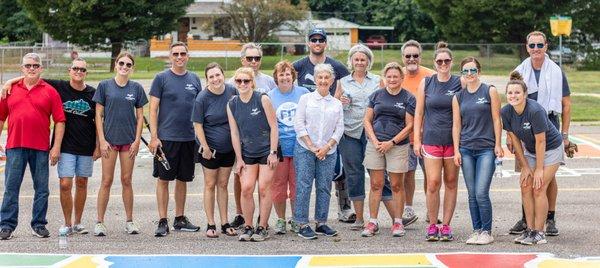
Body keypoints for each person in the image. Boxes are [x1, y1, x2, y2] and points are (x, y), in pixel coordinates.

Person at [509, 31, 572, 236]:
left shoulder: (556, 71)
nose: (536, 49)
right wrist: (511, 136)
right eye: (532, 46)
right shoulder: (519, 71)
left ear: (546, 46)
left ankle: (549, 218)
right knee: (526, 174)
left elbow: (566, 104)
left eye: (540, 45)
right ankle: (527, 219)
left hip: (549, 122)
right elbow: (512, 100)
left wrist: (565, 134)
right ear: (527, 47)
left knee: (546, 177)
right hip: (524, 124)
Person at [0, 53, 66, 240]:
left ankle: (38, 224)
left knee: (42, 188)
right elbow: (1, 117)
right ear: (22, 68)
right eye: (28, 65)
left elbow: (60, 121)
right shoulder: (10, 90)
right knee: (11, 188)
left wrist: (56, 147)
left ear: (41, 68)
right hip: (15, 145)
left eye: (35, 65)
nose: (31, 68)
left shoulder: (50, 91)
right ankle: (6, 225)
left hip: (40, 147)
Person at [293, 27, 355, 223]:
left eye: (321, 40)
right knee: (304, 182)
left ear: (325, 43)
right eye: (314, 39)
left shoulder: (337, 67)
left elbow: (348, 85)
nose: (317, 43)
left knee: (337, 172)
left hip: (331, 122)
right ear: (309, 43)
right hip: (307, 128)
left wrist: (341, 98)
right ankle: (300, 220)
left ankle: (344, 208)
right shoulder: (298, 66)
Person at [334, 44, 396, 231]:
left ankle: (396, 217)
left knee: (378, 175)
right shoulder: (342, 82)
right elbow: (334, 106)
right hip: (350, 132)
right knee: (354, 175)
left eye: (363, 59)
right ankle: (359, 218)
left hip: (373, 134)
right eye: (356, 59)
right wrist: (340, 101)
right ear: (351, 61)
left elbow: (386, 103)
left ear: (369, 61)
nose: (360, 62)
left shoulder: (377, 81)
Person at [502, 71, 564, 245]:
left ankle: (539, 233)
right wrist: (525, 167)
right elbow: (515, 139)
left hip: (550, 148)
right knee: (525, 185)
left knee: (538, 187)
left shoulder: (535, 110)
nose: (513, 96)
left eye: (517, 92)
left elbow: (541, 141)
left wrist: (538, 169)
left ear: (525, 94)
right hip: (530, 150)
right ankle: (529, 230)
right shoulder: (506, 111)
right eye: (510, 93)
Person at [149, 42, 202, 237]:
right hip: (166, 139)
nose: (179, 57)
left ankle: (179, 218)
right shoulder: (161, 78)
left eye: (183, 54)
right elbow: (153, 109)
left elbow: (200, 109)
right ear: (170, 56)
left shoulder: (195, 79)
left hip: (188, 138)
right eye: (175, 54)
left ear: (188, 56)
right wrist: (154, 137)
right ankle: (163, 220)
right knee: (164, 179)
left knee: (183, 179)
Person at [93, 52, 148, 236]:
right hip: (109, 142)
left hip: (128, 142)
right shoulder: (104, 86)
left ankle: (130, 221)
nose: (125, 67)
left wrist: (136, 140)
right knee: (106, 180)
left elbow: (140, 117)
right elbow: (98, 115)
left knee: (126, 180)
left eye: (128, 64)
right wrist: (101, 140)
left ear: (132, 68)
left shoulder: (136, 88)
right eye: (121, 63)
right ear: (116, 65)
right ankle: (100, 222)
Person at [413, 42, 462, 242]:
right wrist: (417, 140)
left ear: (451, 62)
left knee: (451, 183)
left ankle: (447, 225)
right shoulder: (427, 82)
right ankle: (433, 225)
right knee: (433, 183)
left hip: (453, 141)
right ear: (434, 63)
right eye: (439, 61)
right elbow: (418, 112)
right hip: (431, 139)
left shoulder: (460, 83)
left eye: (446, 61)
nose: (443, 63)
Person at [452, 57, 502, 245]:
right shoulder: (458, 97)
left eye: (473, 70)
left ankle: (487, 232)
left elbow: (497, 120)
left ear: (478, 71)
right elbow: (456, 126)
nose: (470, 74)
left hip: (486, 149)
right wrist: (456, 150)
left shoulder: (490, 91)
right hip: (465, 149)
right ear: (462, 74)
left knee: (481, 192)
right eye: (466, 71)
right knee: (472, 193)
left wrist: (498, 144)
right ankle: (477, 230)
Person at [362, 62, 415, 237]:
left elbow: (410, 126)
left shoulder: (408, 98)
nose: (392, 79)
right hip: (375, 145)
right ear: (385, 78)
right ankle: (372, 222)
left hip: (397, 146)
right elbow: (367, 120)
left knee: (396, 185)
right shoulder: (376, 95)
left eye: (395, 76)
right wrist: (375, 140)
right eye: (389, 76)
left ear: (401, 78)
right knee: (376, 184)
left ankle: (398, 223)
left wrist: (391, 142)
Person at [229, 43, 278, 229]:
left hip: (266, 149)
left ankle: (262, 225)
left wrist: (273, 151)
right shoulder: (232, 102)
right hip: (247, 150)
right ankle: (247, 224)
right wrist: (239, 158)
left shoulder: (264, 96)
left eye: (246, 81)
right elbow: (234, 131)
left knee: (264, 188)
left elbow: (274, 126)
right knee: (247, 187)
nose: (242, 84)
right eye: (239, 81)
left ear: (252, 83)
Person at [293, 63, 344, 240]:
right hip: (305, 149)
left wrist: (326, 147)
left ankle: (321, 222)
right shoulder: (306, 100)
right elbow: (299, 124)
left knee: (324, 187)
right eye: (320, 77)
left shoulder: (336, 104)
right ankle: (301, 223)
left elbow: (339, 129)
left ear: (332, 80)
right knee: (304, 185)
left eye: (326, 77)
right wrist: (312, 146)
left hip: (327, 152)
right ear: (315, 79)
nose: (323, 80)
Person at [193, 62, 238, 238]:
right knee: (210, 184)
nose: (215, 79)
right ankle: (211, 223)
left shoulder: (232, 91)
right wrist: (204, 146)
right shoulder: (202, 98)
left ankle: (225, 222)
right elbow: (198, 125)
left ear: (223, 75)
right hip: (210, 150)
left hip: (229, 149)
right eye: (211, 76)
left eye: (217, 75)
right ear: (207, 79)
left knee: (223, 185)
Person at [267, 61, 309, 234]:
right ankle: (281, 219)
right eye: (281, 74)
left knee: (297, 186)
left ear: (293, 76)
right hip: (281, 148)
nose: (284, 77)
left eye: (287, 74)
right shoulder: (269, 96)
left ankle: (296, 218)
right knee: (278, 185)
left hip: (300, 146)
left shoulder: (304, 93)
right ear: (276, 78)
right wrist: (272, 151)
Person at [400, 40, 435, 226]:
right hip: (406, 137)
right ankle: (408, 208)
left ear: (420, 56)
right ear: (403, 58)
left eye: (415, 55)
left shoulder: (431, 76)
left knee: (431, 175)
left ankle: (432, 209)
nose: (411, 59)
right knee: (408, 174)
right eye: (408, 56)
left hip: (429, 136)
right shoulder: (396, 76)